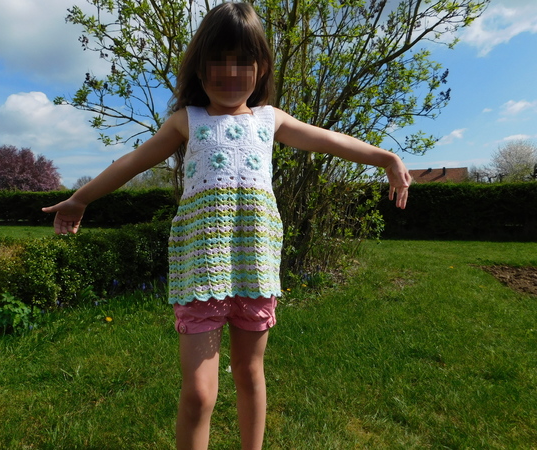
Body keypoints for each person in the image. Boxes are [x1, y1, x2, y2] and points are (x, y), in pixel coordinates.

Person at [43, 2, 411, 449]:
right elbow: (132, 161)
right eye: (218, 60)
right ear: (199, 68)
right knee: (199, 394)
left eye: (243, 60)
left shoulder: (270, 119)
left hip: (255, 270)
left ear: (262, 67)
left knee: (249, 375)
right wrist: (81, 198)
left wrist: (386, 157)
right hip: (201, 273)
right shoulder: (187, 121)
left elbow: (329, 140)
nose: (230, 72)